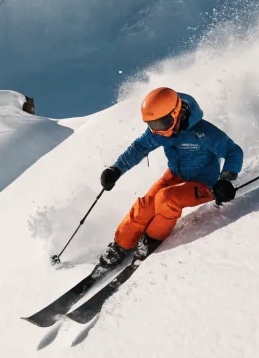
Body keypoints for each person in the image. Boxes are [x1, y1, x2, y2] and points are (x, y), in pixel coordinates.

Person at [97, 87, 243, 266]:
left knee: (166, 199)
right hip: (176, 174)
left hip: (205, 183)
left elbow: (233, 151)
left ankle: (151, 239)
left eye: (160, 124)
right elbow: (138, 148)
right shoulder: (159, 132)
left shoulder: (202, 132)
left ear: (175, 114)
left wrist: (225, 180)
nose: (156, 130)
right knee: (146, 206)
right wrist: (116, 169)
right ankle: (121, 245)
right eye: (152, 125)